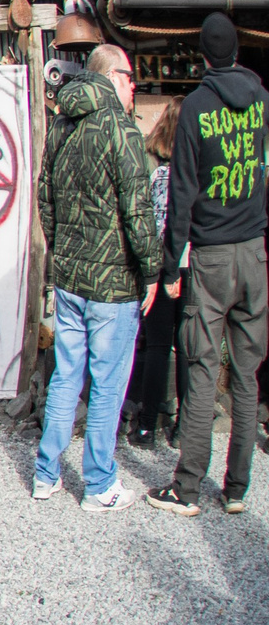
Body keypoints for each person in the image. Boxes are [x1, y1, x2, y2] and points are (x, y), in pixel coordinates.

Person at [31, 44, 161, 510]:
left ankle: (46, 475)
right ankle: (100, 484)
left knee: (67, 376)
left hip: (69, 278)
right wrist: (151, 271)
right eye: (131, 80)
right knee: (107, 383)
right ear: (113, 76)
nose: (134, 90)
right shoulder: (121, 131)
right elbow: (138, 211)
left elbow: (44, 198)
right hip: (113, 284)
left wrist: (62, 251)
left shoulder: (63, 125)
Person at [155, 12, 269, 514]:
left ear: (202, 55)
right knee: (247, 373)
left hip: (212, 257)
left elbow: (181, 196)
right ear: (238, 51)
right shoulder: (263, 101)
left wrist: (171, 267)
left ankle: (188, 488)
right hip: (254, 251)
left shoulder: (197, 107)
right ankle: (239, 488)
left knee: (201, 367)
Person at [130, 95, 184, 447]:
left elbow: (149, 222)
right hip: (191, 263)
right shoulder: (192, 170)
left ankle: (147, 424)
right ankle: (183, 427)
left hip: (160, 263)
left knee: (157, 345)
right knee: (191, 347)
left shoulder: (152, 164)